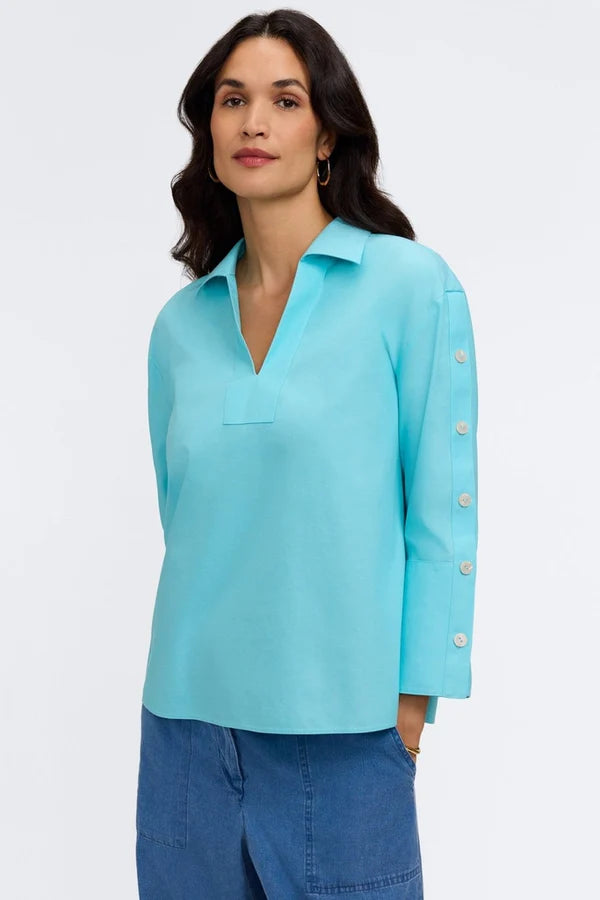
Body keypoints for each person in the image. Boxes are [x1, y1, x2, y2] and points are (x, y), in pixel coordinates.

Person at [135, 8, 479, 899]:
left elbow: (441, 513)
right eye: (232, 100)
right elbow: (187, 522)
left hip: (346, 735)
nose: (254, 122)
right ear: (208, 131)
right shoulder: (179, 328)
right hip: (184, 735)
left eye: (285, 101)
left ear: (327, 135)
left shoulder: (408, 287)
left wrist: (411, 707)